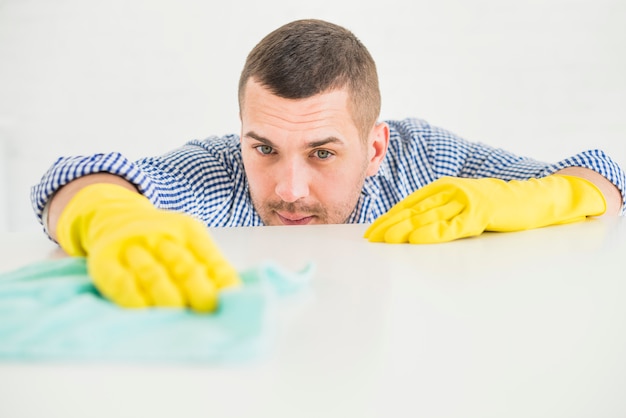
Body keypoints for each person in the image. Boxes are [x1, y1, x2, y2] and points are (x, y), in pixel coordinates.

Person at [31, 19, 626, 312]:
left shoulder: (429, 160)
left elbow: (604, 175)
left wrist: (533, 199)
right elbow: (77, 176)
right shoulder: (219, 172)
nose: (288, 189)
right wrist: (107, 214)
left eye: (323, 152)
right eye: (264, 148)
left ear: (374, 149)